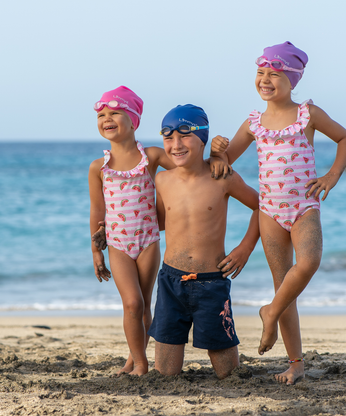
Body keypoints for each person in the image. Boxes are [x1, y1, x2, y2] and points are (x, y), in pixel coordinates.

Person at [210, 42, 346, 384]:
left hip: (304, 206)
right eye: (260, 73)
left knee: (308, 263)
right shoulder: (253, 123)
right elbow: (224, 161)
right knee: (283, 283)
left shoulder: (308, 114)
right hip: (270, 211)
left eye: (274, 75)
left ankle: (269, 311)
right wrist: (217, 150)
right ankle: (295, 363)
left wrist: (331, 176)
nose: (265, 80)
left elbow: (345, 139)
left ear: (292, 80)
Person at [148, 104, 260, 379]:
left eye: (184, 135)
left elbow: (262, 207)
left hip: (211, 283)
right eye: (168, 137)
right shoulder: (162, 180)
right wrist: (114, 225)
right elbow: (160, 223)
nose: (176, 145)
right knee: (164, 374)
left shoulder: (222, 177)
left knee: (228, 374)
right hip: (170, 282)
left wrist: (245, 248)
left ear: (202, 138)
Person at [88, 86, 176, 376]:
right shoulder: (98, 168)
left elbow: (185, 169)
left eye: (115, 112)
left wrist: (214, 160)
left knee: (144, 305)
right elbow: (97, 211)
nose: (107, 118)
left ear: (133, 120)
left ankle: (132, 357)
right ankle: (141, 362)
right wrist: (95, 252)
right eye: (102, 115)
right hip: (117, 243)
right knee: (132, 303)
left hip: (148, 240)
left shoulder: (151, 156)